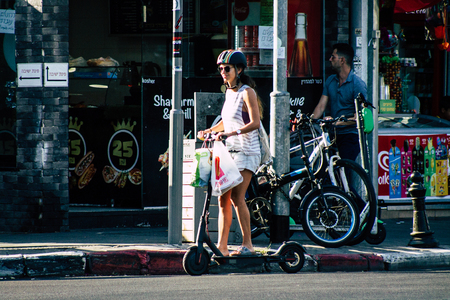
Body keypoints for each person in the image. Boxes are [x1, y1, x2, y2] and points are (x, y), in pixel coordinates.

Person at [197, 49, 263, 256]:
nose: (223, 72)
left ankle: (248, 245)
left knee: (236, 197)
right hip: (231, 151)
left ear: (239, 70)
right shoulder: (229, 92)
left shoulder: (247, 92)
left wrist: (230, 133)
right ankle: (222, 248)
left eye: (227, 68)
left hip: (247, 151)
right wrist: (209, 131)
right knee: (222, 199)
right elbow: (226, 121)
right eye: (220, 69)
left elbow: (255, 123)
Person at [311, 43, 368, 161]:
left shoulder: (357, 85)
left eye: (333, 57)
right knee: (324, 169)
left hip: (350, 136)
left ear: (342, 60)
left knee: (343, 170)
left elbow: (360, 117)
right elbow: (321, 107)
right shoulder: (331, 81)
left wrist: (337, 122)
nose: (330, 59)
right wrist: (310, 121)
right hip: (332, 134)